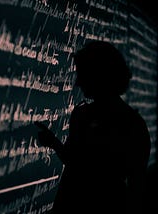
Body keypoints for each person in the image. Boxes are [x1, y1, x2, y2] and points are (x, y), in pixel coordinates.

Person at [35, 41, 151, 214]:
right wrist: (54, 143)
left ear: (99, 76)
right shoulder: (134, 123)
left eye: (83, 74)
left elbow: (82, 167)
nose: (78, 83)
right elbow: (77, 161)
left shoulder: (124, 123)